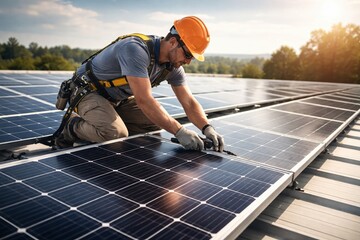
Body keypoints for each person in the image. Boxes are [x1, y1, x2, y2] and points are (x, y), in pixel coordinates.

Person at [54, 16, 224, 152]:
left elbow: (188, 101)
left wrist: (207, 127)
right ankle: (72, 127)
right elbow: (144, 100)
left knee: (156, 121)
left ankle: (106, 123)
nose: (188, 61)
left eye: (192, 58)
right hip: (88, 92)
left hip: (116, 99)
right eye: (188, 55)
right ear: (173, 42)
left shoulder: (172, 67)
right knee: (115, 133)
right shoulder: (136, 49)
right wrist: (179, 131)